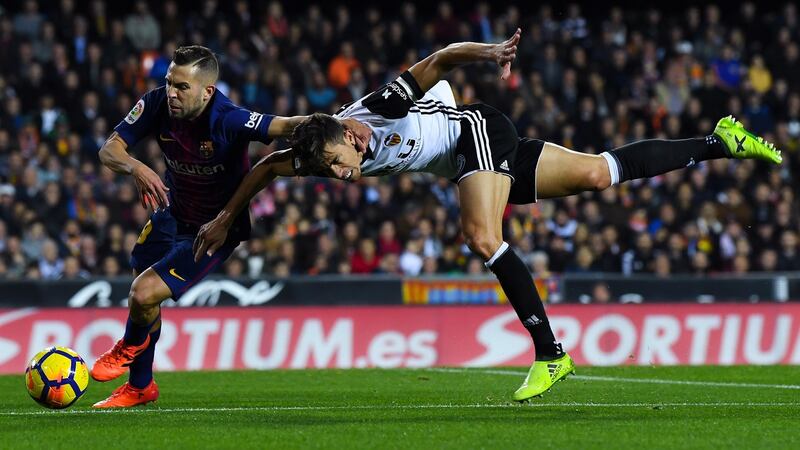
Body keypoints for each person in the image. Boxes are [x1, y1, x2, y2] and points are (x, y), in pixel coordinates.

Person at [194, 30, 781, 401]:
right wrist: (225, 218)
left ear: (350, 133)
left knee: (479, 235)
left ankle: (551, 355)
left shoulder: (378, 107)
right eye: (332, 171)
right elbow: (269, 165)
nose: (342, 176)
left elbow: (443, 57)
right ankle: (717, 142)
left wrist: (492, 53)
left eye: (340, 163)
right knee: (599, 173)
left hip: (477, 130)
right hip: (469, 160)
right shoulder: (323, 150)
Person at [90, 45, 368, 408]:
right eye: (170, 82)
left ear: (207, 91)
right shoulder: (157, 103)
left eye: (182, 87)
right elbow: (109, 150)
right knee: (141, 286)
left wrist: (337, 124)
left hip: (214, 229)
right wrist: (137, 167)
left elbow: (283, 125)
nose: (172, 92)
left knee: (143, 295)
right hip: (172, 212)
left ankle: (131, 347)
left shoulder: (228, 119)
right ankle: (141, 386)